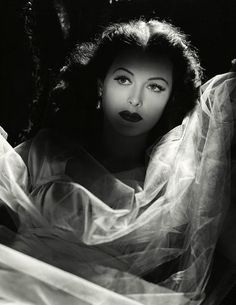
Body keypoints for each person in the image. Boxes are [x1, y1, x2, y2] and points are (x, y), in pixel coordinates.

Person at [0, 19, 235, 305]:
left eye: (155, 87)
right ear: (101, 85)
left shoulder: (174, 185)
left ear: (170, 99)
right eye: (123, 80)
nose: (135, 100)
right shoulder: (48, 150)